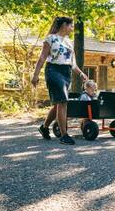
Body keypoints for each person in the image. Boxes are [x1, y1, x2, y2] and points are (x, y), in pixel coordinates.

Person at [32, 16, 88, 145]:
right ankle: (64, 135)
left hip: (66, 73)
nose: (72, 28)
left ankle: (44, 127)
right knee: (63, 101)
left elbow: (72, 63)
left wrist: (81, 74)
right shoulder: (50, 38)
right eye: (71, 25)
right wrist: (35, 75)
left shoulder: (69, 42)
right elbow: (42, 58)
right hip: (53, 71)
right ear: (64, 25)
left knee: (58, 103)